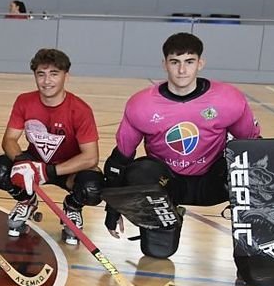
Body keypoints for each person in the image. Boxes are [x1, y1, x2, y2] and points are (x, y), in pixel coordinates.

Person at [104, 32, 260, 258]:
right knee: (140, 173)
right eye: (175, 62)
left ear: (200, 63)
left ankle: (254, 255)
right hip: (168, 184)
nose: (182, 70)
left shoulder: (228, 99)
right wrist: (113, 208)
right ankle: (169, 218)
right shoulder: (142, 104)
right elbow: (120, 160)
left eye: (189, 62)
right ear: (164, 64)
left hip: (213, 182)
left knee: (249, 166)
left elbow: (254, 146)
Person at [0, 48, 103, 244]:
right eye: (41, 74)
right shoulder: (24, 101)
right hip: (34, 165)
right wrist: (21, 161)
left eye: (54, 74)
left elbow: (90, 157)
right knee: (0, 170)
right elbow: (9, 140)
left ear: (66, 76)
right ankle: (26, 200)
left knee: (92, 188)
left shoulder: (80, 109)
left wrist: (48, 171)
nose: (47, 81)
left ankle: (73, 207)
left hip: (67, 170)